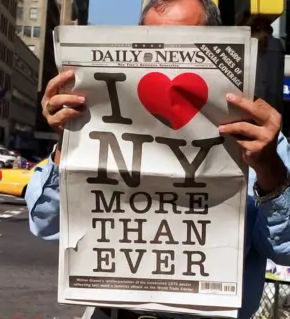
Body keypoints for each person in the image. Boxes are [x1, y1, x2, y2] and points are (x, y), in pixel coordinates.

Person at [25, 0, 290, 318]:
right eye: (153, 41)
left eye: (184, 45)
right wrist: (67, 141)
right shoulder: (94, 117)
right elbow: (46, 225)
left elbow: (283, 251)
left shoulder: (259, 139)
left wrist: (269, 170)